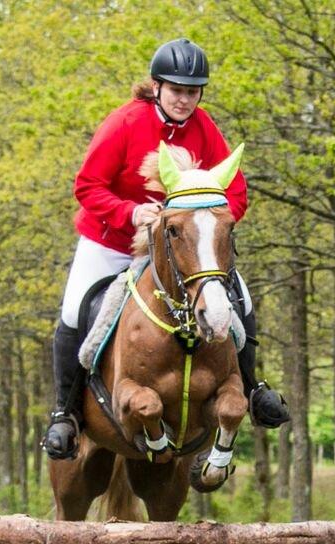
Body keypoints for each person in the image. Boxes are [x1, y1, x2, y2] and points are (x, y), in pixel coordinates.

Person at [43, 38, 289, 460]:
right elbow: (87, 187)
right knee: (74, 310)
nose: (184, 100)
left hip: (181, 250)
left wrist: (204, 224)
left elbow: (236, 192)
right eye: (176, 90)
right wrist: (130, 212)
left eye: (193, 92)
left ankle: (254, 389)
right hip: (113, 241)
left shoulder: (204, 128)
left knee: (237, 299)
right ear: (156, 87)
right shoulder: (124, 123)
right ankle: (65, 414)